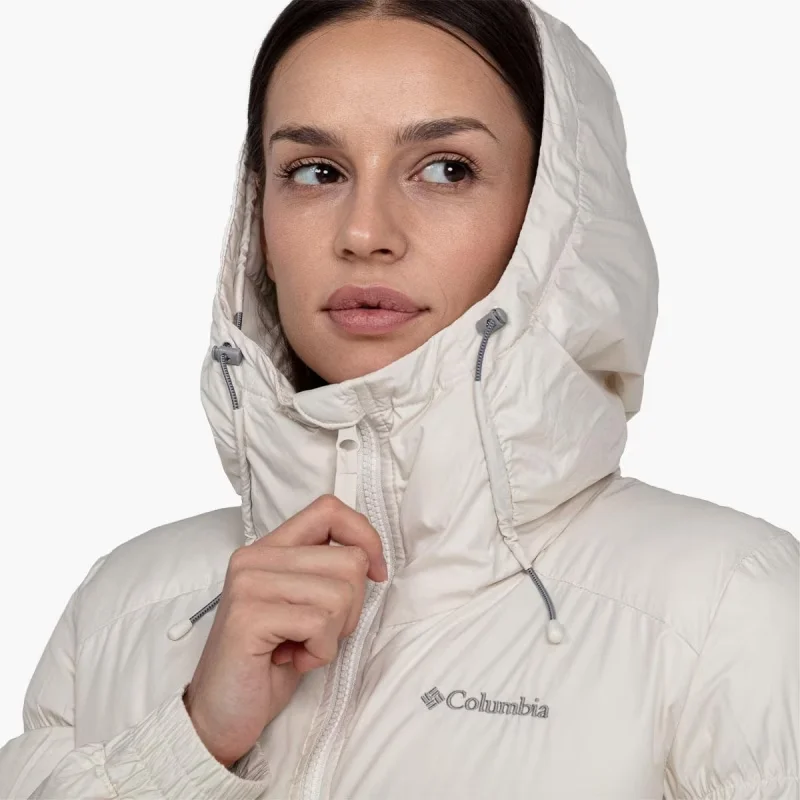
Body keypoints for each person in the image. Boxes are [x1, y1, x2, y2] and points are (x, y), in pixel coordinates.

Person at [1, 0, 797, 797]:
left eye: (447, 169)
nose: (365, 232)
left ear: (555, 224)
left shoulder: (723, 606)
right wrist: (192, 744)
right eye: (316, 172)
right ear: (258, 221)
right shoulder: (123, 607)